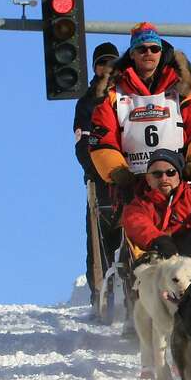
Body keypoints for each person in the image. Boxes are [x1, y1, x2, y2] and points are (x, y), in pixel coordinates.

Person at [88, 22, 191, 193]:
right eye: (142, 49)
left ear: (161, 52)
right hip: (134, 186)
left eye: (154, 49)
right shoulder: (111, 91)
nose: (148, 53)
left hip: (180, 181)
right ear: (132, 54)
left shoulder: (184, 86)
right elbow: (102, 138)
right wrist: (116, 171)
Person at [73, 41, 123, 313]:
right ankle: (101, 295)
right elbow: (82, 143)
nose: (107, 68)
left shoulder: (127, 94)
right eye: (102, 63)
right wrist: (96, 171)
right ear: (95, 67)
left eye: (112, 63)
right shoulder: (87, 102)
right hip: (100, 178)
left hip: (130, 174)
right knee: (100, 238)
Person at [121, 149, 191, 265]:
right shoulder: (139, 205)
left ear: (179, 176)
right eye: (157, 174)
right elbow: (136, 223)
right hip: (159, 260)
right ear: (148, 179)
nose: (164, 178)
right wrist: (158, 240)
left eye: (170, 172)